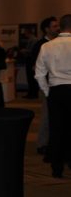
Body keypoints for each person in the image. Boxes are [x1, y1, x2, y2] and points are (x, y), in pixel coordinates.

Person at [35, 14, 71, 178]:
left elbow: (39, 74)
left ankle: (57, 169)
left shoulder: (47, 46)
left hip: (56, 90)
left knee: (56, 129)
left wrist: (48, 92)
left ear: (61, 27)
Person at [31, 16, 60, 156]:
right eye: (54, 26)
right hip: (46, 86)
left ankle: (53, 143)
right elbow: (35, 67)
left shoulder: (58, 43)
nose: (57, 28)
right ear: (46, 29)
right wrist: (45, 88)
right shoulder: (40, 45)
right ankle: (42, 144)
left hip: (57, 86)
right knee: (46, 117)